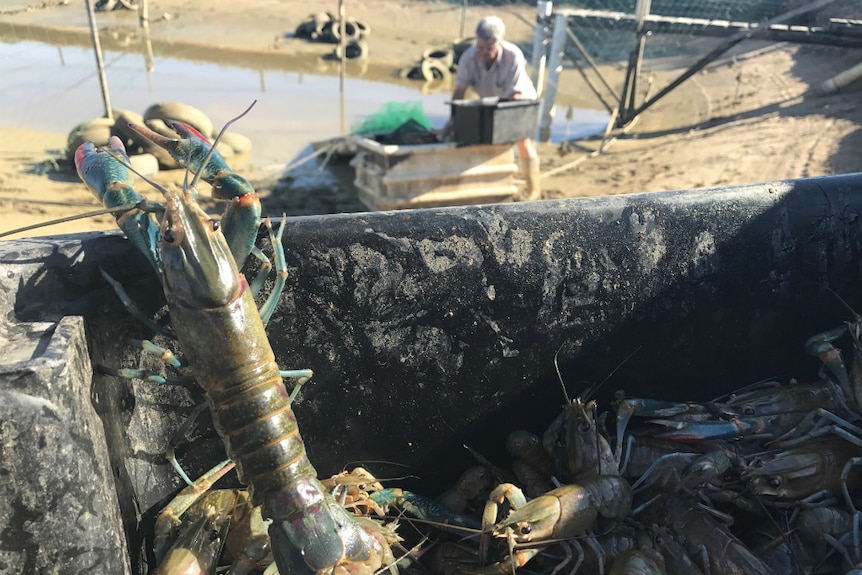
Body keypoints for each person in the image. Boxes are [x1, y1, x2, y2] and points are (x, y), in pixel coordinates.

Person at [442, 16, 541, 199]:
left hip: (518, 103)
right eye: (480, 47)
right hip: (490, 104)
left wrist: (508, 128)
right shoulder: (468, 58)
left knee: (522, 142)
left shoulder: (513, 56)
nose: (484, 53)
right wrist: (453, 119)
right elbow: (459, 92)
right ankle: (496, 185)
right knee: (482, 140)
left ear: (499, 43)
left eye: (489, 48)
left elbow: (515, 95)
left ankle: (533, 190)